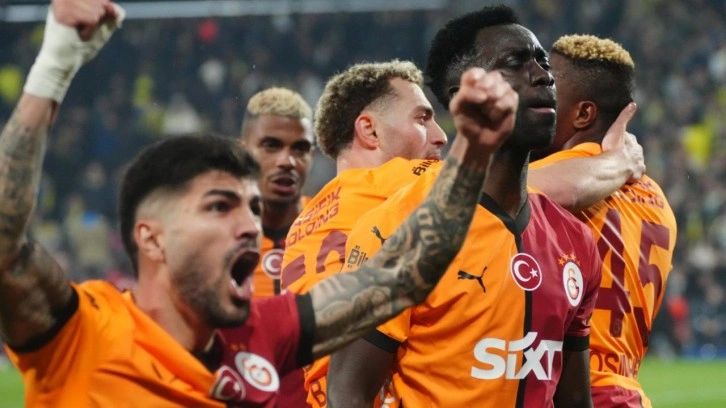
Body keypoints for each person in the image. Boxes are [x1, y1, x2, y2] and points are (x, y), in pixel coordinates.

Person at [0, 1, 519, 406]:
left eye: (251, 207)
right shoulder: (83, 332)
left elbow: (403, 274)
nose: (249, 224)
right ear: (151, 236)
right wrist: (55, 67)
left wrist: (474, 149)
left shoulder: (261, 333)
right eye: (219, 207)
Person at [326, 6, 635, 407]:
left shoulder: (574, 240)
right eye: (515, 63)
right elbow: (347, 394)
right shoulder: (400, 230)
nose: (543, 76)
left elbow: (574, 401)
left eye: (543, 62)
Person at [278, 60, 448, 407]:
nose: (440, 136)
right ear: (369, 130)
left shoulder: (304, 222)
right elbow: (526, 185)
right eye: (421, 119)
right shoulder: (400, 183)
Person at [528, 34, 677, 408]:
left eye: (549, 89)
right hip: (626, 391)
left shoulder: (557, 177)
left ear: (583, 114)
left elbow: (476, 192)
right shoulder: (658, 199)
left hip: (573, 389)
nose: (534, 97)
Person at [237, 87, 313, 406]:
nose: (287, 161)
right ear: (244, 151)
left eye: (300, 148)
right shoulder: (215, 238)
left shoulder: (336, 229)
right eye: (271, 146)